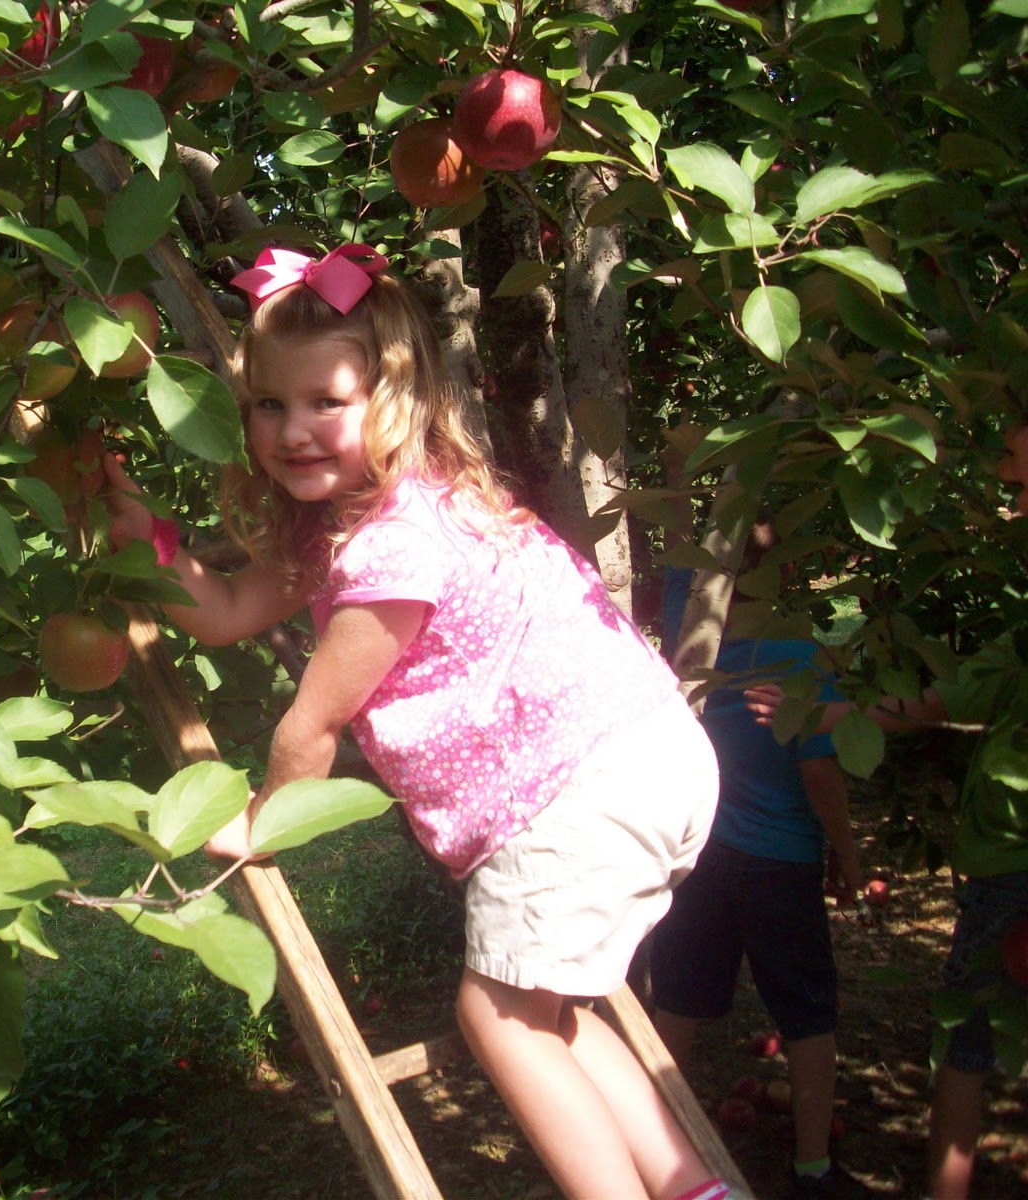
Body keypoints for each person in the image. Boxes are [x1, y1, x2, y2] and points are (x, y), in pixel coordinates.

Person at [102, 243, 726, 1200]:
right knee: (549, 1010)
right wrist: (140, 529)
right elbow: (224, 612)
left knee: (499, 1018)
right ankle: (694, 1188)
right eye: (271, 405)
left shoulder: (395, 546)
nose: (294, 430)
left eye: (327, 403)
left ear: (390, 402)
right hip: (642, 760)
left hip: (579, 785)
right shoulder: (358, 524)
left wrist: (261, 825)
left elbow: (313, 726)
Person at [747, 646, 1027, 1200]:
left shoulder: (1018, 652)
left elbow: (923, 706)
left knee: (965, 1043)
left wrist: (816, 714)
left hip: (1009, 868)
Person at [649, 529, 873, 1200]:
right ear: (783, 566)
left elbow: (690, 555)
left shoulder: (689, 625)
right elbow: (820, 777)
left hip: (696, 849)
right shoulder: (799, 653)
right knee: (807, 1014)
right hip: (779, 858)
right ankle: (812, 1169)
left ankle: (659, 1144)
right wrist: (849, 852)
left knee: (678, 999)